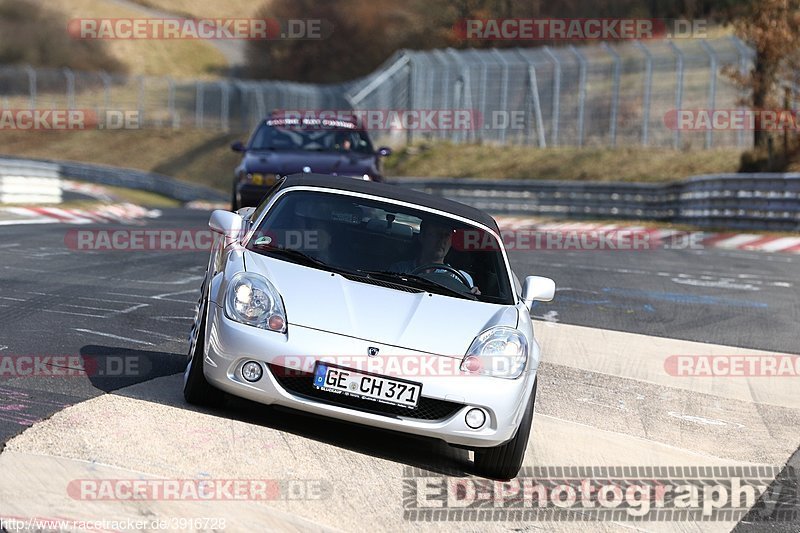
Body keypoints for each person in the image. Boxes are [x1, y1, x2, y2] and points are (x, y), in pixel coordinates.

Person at [390, 219, 481, 295]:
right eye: (437, 234)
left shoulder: (461, 279)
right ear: (422, 236)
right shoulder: (399, 270)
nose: (442, 240)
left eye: (446, 235)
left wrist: (474, 297)